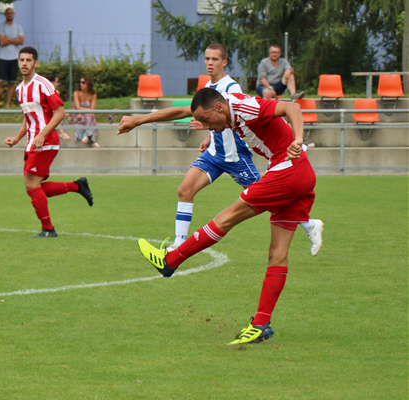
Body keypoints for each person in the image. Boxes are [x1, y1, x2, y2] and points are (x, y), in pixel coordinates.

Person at [118, 88, 318, 344]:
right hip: (300, 174)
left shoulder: (245, 107)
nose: (203, 125)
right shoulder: (220, 109)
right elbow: (184, 111)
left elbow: (293, 108)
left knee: (227, 217)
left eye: (205, 120)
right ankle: (260, 325)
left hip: (287, 171)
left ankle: (171, 261)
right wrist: (138, 120)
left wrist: (298, 139)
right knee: (277, 253)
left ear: (220, 108)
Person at [166, 43, 322, 255]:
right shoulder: (207, 88)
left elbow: (233, 115)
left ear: (224, 62)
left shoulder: (232, 90)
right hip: (215, 154)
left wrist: (139, 121)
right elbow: (215, 117)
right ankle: (178, 243)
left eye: (214, 59)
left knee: (268, 201)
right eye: (207, 58)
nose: (209, 63)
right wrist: (209, 135)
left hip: (235, 156)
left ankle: (308, 223)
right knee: (184, 190)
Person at [4, 46, 93, 237]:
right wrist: (17, 138)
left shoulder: (43, 84)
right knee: (33, 186)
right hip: (33, 141)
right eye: (22, 60)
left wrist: (43, 134)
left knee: (31, 184)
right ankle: (77, 186)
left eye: (29, 60)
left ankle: (48, 229)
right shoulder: (20, 89)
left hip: (46, 140)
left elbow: (60, 112)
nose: (25, 63)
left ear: (35, 63)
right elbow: (28, 118)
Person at [0, 7, 24, 108]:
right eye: (8, 13)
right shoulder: (0, 27)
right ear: (5, 14)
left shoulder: (18, 27)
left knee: (12, 82)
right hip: (2, 57)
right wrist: (14, 39)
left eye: (11, 13)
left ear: (14, 14)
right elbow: (1, 42)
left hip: (14, 58)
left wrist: (8, 39)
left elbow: (21, 41)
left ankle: (8, 105)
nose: (10, 15)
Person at [73, 76, 100, 148]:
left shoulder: (93, 94)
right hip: (77, 115)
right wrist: (83, 112)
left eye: (83, 82)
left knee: (89, 116)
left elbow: (93, 109)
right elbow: (78, 107)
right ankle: (94, 141)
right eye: (80, 82)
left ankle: (86, 135)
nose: (81, 84)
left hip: (88, 116)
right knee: (91, 118)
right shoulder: (76, 93)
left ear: (88, 84)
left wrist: (86, 112)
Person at [45, 74, 70, 140]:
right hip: (48, 114)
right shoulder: (51, 92)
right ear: (52, 82)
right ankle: (62, 132)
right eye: (57, 82)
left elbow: (59, 105)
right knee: (56, 116)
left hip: (53, 113)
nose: (58, 84)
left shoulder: (56, 92)